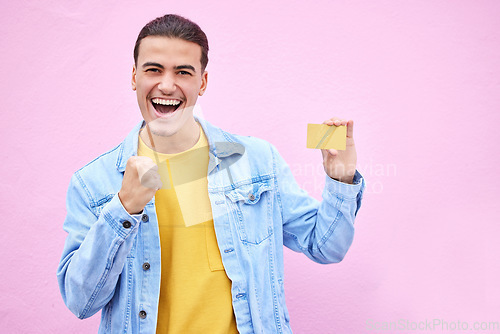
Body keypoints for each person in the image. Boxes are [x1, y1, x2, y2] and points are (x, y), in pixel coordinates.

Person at [57, 14, 365, 334]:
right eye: (153, 70)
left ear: (202, 83)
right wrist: (123, 208)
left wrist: (340, 179)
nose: (166, 84)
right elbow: (80, 302)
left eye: (183, 72)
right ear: (134, 76)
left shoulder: (256, 161)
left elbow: (327, 247)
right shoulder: (93, 182)